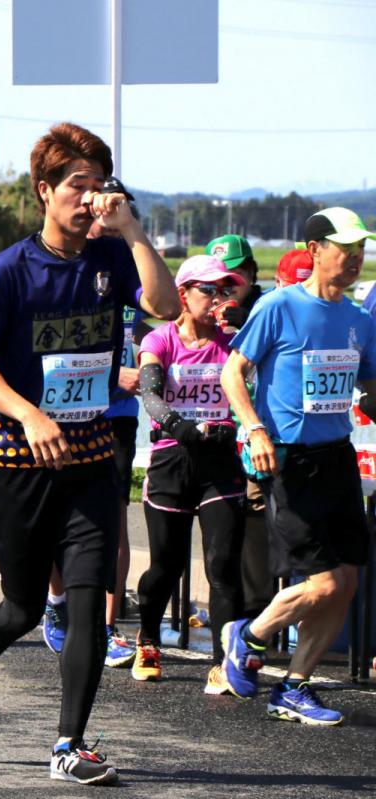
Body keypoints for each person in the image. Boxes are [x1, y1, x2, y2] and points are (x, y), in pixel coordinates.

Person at [0, 122, 179, 785]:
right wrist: (28, 411)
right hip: (17, 462)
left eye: (99, 185)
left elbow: (164, 306)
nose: (89, 198)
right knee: (19, 608)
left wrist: (133, 231)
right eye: (77, 185)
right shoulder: (6, 272)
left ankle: (68, 743)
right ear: (44, 191)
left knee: (87, 602)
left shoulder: (109, 258)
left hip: (91, 459)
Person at [220, 207, 376, 725]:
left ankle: (294, 685)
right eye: (344, 248)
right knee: (325, 583)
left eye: (360, 250)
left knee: (349, 580)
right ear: (314, 250)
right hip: (288, 457)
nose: (354, 258)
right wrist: (254, 428)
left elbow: (370, 390)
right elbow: (233, 373)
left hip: (338, 457)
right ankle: (248, 636)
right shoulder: (279, 306)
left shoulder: (359, 319)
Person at [42, 176, 146, 668]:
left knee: (113, 520)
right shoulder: (62, 265)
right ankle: (56, 603)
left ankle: (106, 625)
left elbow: (166, 326)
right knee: (55, 521)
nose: (101, 215)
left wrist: (144, 370)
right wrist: (108, 370)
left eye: (113, 208)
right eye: (97, 207)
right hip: (60, 414)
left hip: (117, 416)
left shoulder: (127, 265)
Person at [132, 255, 247, 689]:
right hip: (172, 461)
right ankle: (147, 640)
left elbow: (265, 365)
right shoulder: (161, 340)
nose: (217, 298)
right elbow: (149, 391)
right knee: (166, 565)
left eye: (225, 290)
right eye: (208, 290)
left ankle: (224, 662)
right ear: (183, 294)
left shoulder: (234, 342)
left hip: (219, 462)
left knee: (222, 565)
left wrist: (247, 322)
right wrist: (180, 427)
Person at [205, 233, 274, 625]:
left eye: (233, 277)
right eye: (215, 280)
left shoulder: (268, 307)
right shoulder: (203, 312)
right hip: (214, 437)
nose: (224, 288)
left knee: (256, 526)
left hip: (258, 437)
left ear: (250, 272)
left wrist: (247, 325)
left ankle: (256, 616)